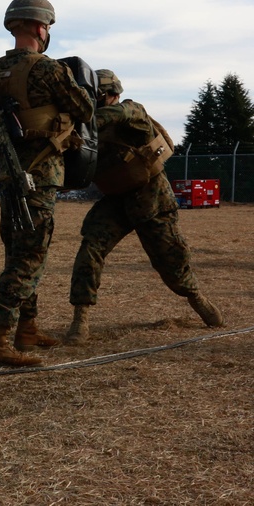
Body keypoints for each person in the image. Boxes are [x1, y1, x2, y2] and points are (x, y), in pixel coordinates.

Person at [0, 0, 95, 368]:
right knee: (29, 256)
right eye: (47, 25)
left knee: (18, 251)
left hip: (9, 174)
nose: (47, 33)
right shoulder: (48, 69)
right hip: (39, 175)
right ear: (38, 26)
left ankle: (27, 330)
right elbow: (85, 109)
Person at [66, 69, 223, 343]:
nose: (93, 102)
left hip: (151, 197)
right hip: (115, 200)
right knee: (90, 248)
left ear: (113, 94)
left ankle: (196, 297)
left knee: (172, 262)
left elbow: (120, 115)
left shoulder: (130, 112)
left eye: (97, 97)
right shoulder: (85, 126)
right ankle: (81, 317)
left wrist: (83, 121)